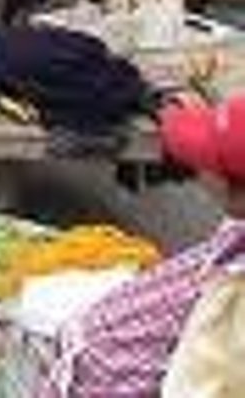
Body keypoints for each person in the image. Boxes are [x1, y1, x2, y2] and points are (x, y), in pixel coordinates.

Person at [47, 94, 245, 397]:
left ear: (235, 193)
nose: (195, 167)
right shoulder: (236, 225)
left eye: (205, 160)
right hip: (88, 358)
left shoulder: (232, 310)